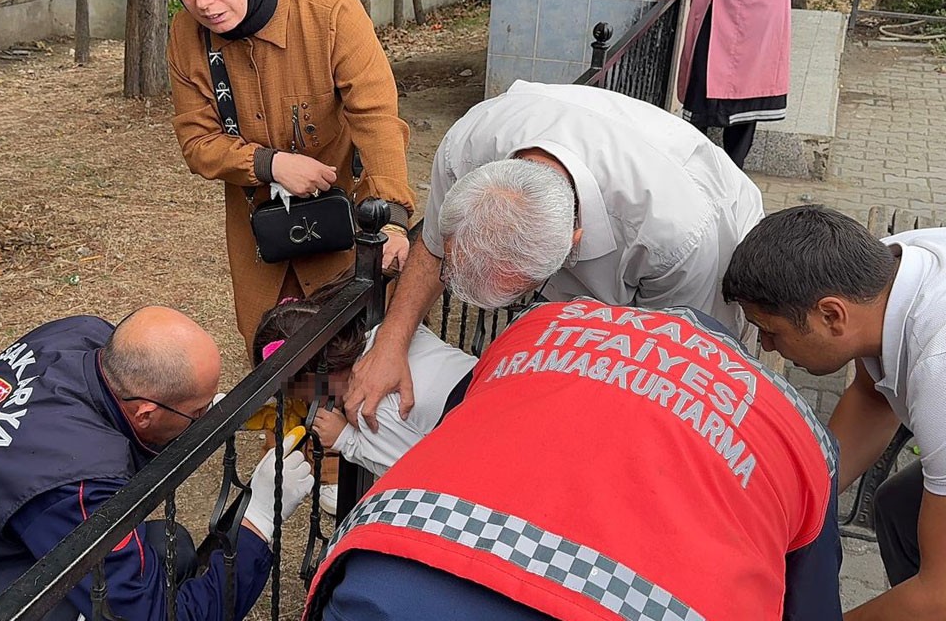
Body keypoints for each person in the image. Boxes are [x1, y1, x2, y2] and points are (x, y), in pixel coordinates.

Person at [304, 299, 842, 621]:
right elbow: (810, 605)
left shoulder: (543, 325)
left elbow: (466, 425)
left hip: (390, 575)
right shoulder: (795, 423)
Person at [346, 80, 763, 431]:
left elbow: (677, 370)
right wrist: (390, 343)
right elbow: (434, 247)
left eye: (523, 293)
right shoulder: (467, 148)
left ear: (572, 245)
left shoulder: (680, 235)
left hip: (703, 262)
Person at [0, 309, 313, 621]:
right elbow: (156, 616)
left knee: (168, 545)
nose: (204, 418)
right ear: (146, 412)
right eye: (196, 414)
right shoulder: (74, 483)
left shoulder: (79, 336)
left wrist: (211, 413)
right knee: (152, 574)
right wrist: (259, 521)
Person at [160, 0, 416, 354]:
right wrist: (269, 164)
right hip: (262, 239)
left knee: (351, 352)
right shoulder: (187, 37)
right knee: (273, 362)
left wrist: (392, 218)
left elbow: (375, 116)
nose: (203, 1)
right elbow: (197, 143)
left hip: (344, 227)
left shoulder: (327, 8)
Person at [722, 205, 946, 620]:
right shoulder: (890, 269)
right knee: (897, 509)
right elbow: (873, 399)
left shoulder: (939, 371)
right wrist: (789, 507)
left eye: (771, 331)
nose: (767, 347)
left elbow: (939, 595)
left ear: (830, 315)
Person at [654, 0, 845, 167]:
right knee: (700, 90)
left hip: (758, 9)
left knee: (746, 93)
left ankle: (734, 175)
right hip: (714, 1)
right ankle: (693, 172)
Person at [253, 281, 478, 479]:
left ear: (312, 380)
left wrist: (346, 438)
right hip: (492, 384)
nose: (311, 406)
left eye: (305, 398)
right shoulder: (388, 334)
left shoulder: (370, 407)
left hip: (482, 447)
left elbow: (412, 470)